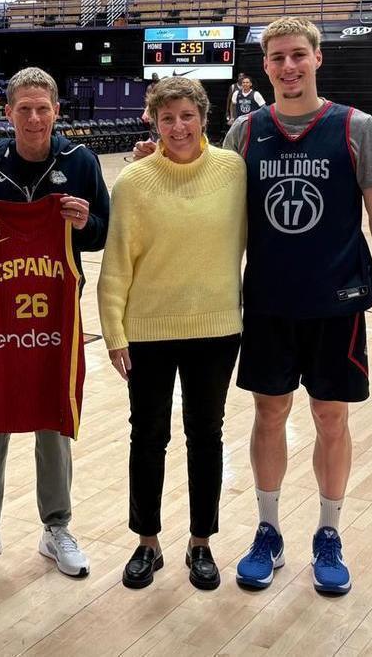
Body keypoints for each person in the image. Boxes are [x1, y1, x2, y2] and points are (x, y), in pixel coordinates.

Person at [132, 16, 372, 596]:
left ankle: (328, 534)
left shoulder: (357, 129)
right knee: (269, 415)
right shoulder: (245, 133)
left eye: (298, 55)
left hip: (338, 305)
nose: (288, 66)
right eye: (277, 58)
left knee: (332, 417)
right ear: (265, 67)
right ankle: (268, 530)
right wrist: (151, 155)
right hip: (266, 306)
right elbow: (194, 179)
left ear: (317, 58)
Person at [0, 66, 109, 578]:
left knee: (52, 413)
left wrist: (85, 223)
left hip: (55, 307)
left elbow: (103, 232)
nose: (34, 117)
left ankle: (56, 526)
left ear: (56, 111)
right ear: (7, 113)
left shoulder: (80, 162)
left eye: (43, 108)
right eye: (24, 109)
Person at [97, 76, 247, 591]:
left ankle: (201, 542)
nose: (178, 127)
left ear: (204, 118)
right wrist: (114, 332)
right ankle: (147, 542)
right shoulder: (134, 181)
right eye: (167, 118)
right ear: (153, 122)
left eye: (187, 116)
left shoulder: (233, 171)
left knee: (206, 436)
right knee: (148, 436)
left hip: (217, 328)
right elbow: (115, 264)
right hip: (148, 331)